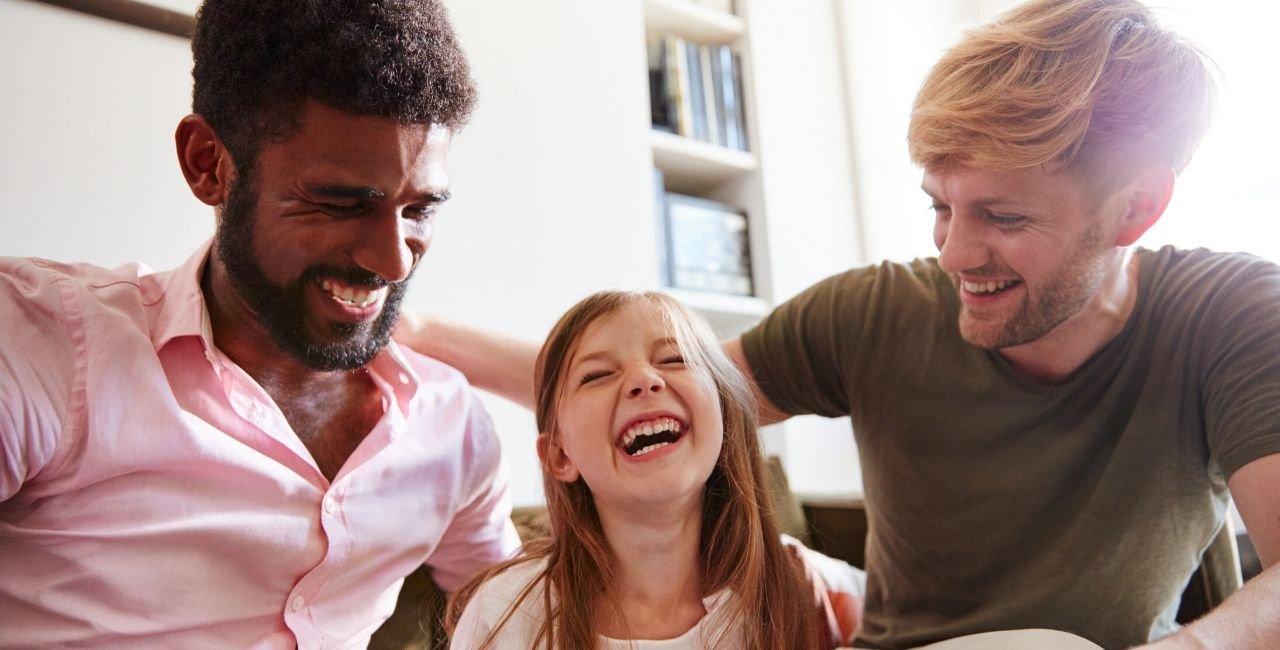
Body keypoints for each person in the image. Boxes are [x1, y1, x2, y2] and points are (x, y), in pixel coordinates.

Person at [398, 1, 1280, 647]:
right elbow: (664, 398)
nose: (955, 253)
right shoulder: (875, 312)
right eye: (940, 205)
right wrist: (414, 332)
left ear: (1136, 208)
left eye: (1004, 219)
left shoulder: (1232, 318)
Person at [0, 1, 519, 646]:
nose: (391, 260)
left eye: (420, 210)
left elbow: (527, 623)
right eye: (338, 202)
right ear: (207, 163)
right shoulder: (39, 345)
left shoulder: (452, 430)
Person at [446, 291, 845, 648]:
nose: (644, 379)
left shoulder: (801, 587)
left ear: (723, 417)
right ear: (559, 456)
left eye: (675, 359)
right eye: (598, 375)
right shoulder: (503, 615)